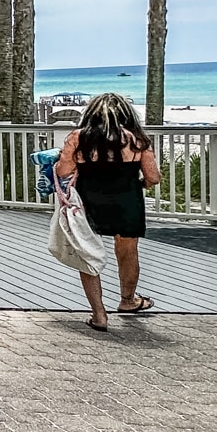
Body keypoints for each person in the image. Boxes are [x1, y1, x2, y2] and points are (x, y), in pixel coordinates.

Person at [54, 92, 161, 331]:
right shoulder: (137, 140)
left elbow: (63, 172)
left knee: (87, 254)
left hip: (88, 201)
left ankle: (99, 315)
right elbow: (153, 177)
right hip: (127, 200)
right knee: (128, 253)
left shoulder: (78, 138)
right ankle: (128, 301)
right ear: (126, 114)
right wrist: (140, 185)